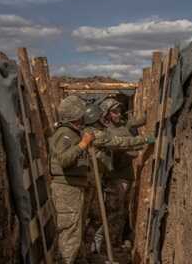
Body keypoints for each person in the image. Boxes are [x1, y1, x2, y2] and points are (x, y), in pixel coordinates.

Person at [90, 98, 150, 253]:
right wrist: (137, 145)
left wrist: (150, 110)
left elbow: (141, 120)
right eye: (114, 111)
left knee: (122, 209)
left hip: (126, 174)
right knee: (114, 211)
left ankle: (115, 242)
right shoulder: (105, 131)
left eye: (119, 111)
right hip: (114, 175)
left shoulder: (125, 124)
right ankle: (105, 243)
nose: (118, 114)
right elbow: (120, 144)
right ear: (107, 114)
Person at [49, 95, 95, 264]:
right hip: (66, 189)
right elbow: (64, 159)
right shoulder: (65, 133)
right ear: (76, 114)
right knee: (69, 234)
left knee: (75, 231)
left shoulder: (72, 133)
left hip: (73, 187)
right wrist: (83, 144)